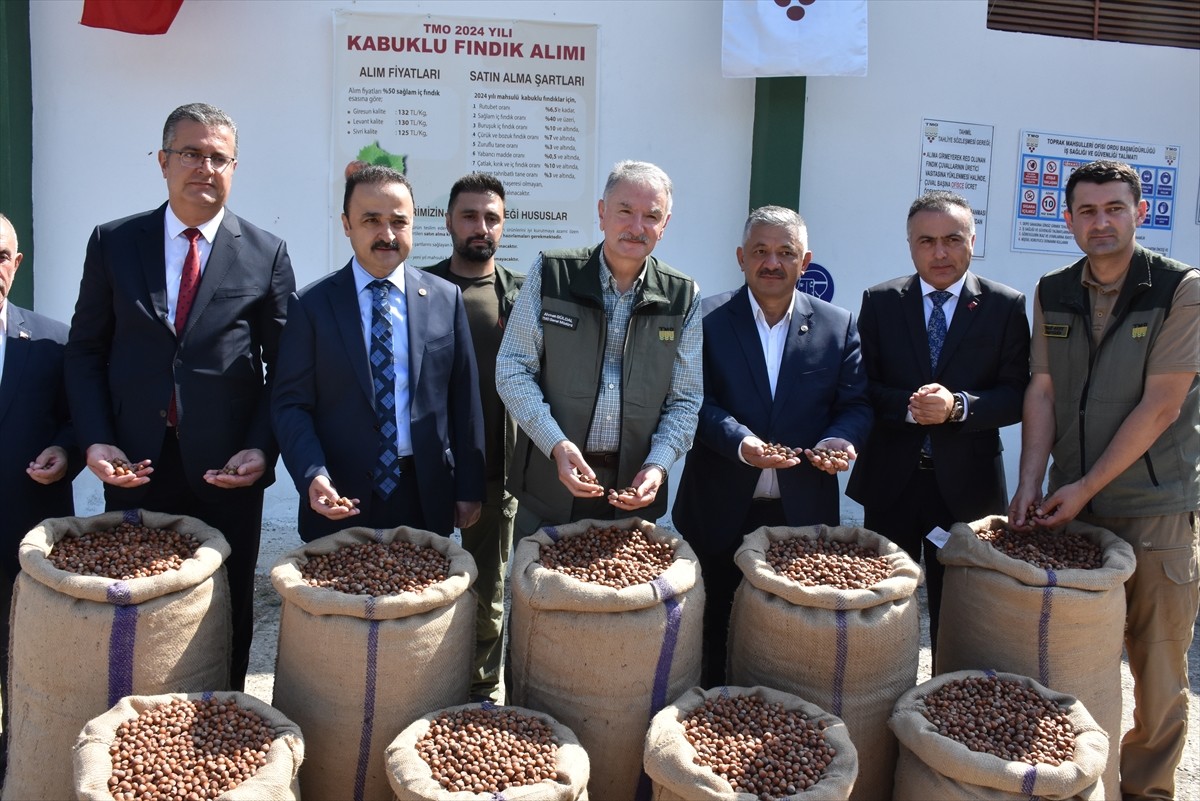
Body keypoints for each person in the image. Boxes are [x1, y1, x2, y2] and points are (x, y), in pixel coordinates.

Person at [65, 103, 295, 690]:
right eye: (191, 153)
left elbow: (287, 369)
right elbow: (86, 350)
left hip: (226, 472)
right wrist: (94, 439)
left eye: (218, 157)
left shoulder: (265, 252)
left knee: (223, 610)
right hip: (132, 464)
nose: (204, 167)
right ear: (163, 161)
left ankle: (223, 717)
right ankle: (133, 720)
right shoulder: (114, 242)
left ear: (234, 168)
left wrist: (260, 450)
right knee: (135, 608)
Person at [1010, 160, 1198, 801]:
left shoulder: (1181, 289)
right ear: (1067, 220)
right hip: (1070, 506)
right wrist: (1029, 481)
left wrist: (1083, 487)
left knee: (1157, 669)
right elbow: (1043, 387)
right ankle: (1067, 781)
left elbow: (1163, 406)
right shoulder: (1053, 288)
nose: (1101, 222)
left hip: (1154, 508)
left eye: (1115, 208)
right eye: (1087, 211)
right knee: (1066, 659)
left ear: (1140, 213)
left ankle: (1146, 792)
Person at [671, 205, 873, 686]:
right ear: (741, 257)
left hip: (800, 508)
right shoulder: (706, 319)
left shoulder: (836, 324)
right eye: (760, 251)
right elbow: (694, 401)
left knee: (787, 635)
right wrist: (742, 444)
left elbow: (856, 404)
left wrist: (838, 440)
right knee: (711, 626)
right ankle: (707, 720)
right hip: (718, 505)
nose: (772, 263)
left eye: (786, 252)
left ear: (806, 261)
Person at [846, 191, 1030, 656]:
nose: (940, 252)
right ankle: (881, 697)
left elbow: (1016, 395)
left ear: (972, 240)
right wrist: (911, 407)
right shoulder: (881, 301)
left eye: (952, 239)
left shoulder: (1004, 306)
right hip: (893, 482)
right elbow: (861, 385)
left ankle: (949, 703)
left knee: (964, 611)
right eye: (926, 241)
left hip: (967, 487)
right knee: (883, 602)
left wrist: (959, 407)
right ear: (910, 244)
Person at [272, 165, 485, 541]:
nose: (387, 235)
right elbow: (291, 404)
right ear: (346, 224)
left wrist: (468, 488)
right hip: (339, 496)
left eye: (398, 221)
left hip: (425, 496)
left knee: (422, 599)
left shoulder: (444, 299)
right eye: (371, 220)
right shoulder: (311, 306)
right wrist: (312, 473)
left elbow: (463, 400)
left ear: (414, 224)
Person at [496, 160, 702, 536]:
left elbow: (685, 400)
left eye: (651, 216)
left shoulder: (681, 296)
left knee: (623, 594)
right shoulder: (552, 274)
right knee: (539, 593)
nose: (637, 227)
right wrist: (556, 444)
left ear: (665, 224)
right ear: (602, 212)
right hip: (548, 485)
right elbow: (512, 367)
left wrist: (657, 465)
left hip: (631, 494)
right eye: (625, 211)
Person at [423, 173, 523, 702]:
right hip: (430, 469)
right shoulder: (419, 288)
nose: (480, 227)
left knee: (490, 590)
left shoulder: (523, 295)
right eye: (469, 216)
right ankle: (423, 682)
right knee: (425, 579)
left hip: (496, 470)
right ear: (448, 221)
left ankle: (480, 690)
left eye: (491, 218)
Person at [0, 213, 81, 777]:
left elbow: (80, 421)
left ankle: (20, 770)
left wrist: (65, 452)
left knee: (28, 671)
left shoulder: (52, 341)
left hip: (28, 539)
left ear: (17, 264)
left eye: (1, 257)